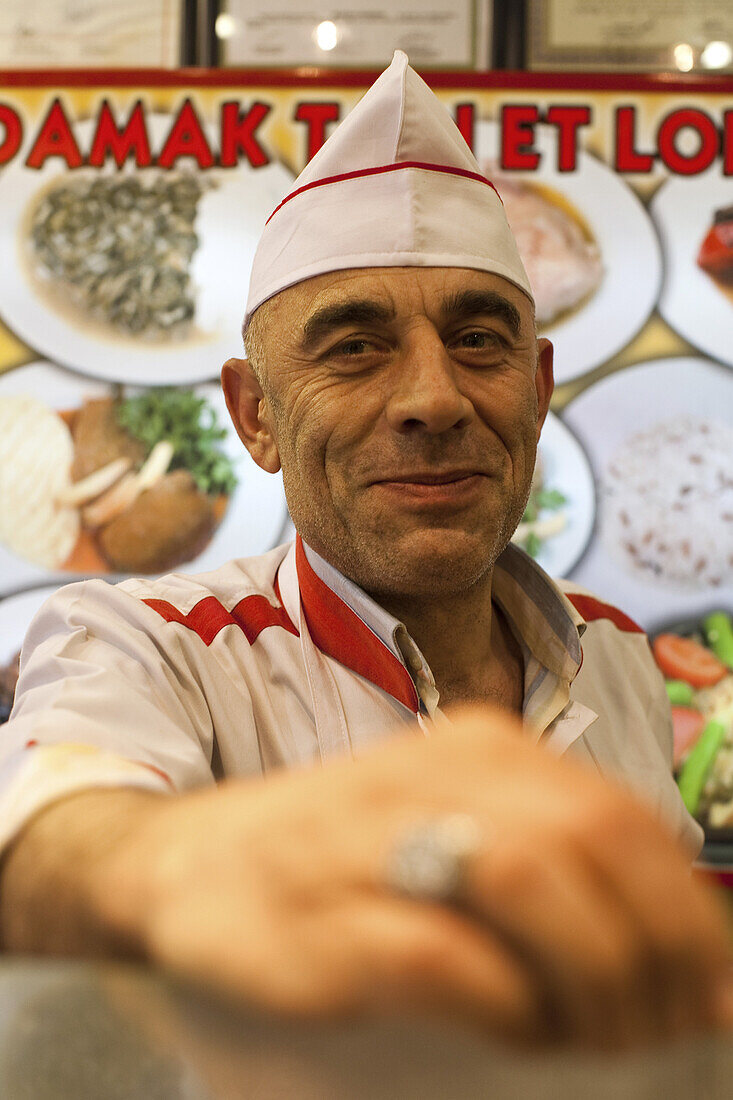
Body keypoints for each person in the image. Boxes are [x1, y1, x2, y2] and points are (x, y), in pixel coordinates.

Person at [0, 53, 729, 1049]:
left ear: (538, 384)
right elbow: (49, 844)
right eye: (353, 346)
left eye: (479, 339)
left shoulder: (608, 644)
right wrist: (183, 864)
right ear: (255, 415)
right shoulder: (151, 640)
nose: (433, 398)